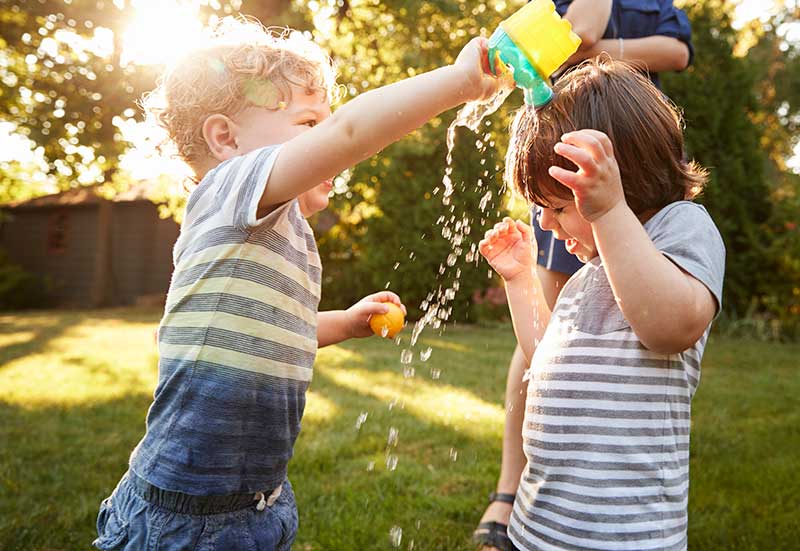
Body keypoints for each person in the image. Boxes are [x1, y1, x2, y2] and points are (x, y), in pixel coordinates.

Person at [93, 17, 504, 551]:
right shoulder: (229, 189)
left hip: (259, 502)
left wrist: (345, 322)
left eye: (324, 125)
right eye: (310, 124)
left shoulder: (288, 235)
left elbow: (273, 331)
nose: (327, 144)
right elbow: (351, 134)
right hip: (183, 512)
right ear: (226, 138)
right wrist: (460, 83)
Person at [478, 58, 724, 551]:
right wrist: (521, 280)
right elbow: (543, 359)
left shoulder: (682, 229)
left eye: (559, 207)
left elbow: (671, 327)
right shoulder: (586, 276)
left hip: (624, 536)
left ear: (619, 182)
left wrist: (609, 213)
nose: (546, 224)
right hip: (538, 529)